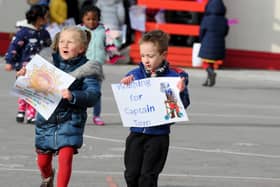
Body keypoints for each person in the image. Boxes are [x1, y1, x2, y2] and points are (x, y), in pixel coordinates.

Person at [17, 26, 102, 187]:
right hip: (46, 120)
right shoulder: (47, 63)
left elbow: (93, 95)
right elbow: (30, 84)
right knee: (43, 162)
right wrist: (22, 76)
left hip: (71, 119)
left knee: (66, 156)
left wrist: (73, 96)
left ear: (81, 48)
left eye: (70, 42)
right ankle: (47, 177)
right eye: (62, 41)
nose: (65, 45)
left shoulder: (88, 69)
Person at [120, 30, 190, 187]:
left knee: (148, 177)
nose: (146, 60)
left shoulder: (174, 77)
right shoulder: (135, 74)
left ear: (164, 54)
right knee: (131, 174)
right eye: (143, 55)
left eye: (150, 56)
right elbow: (127, 98)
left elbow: (183, 105)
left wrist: (180, 92)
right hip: (136, 132)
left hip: (158, 135)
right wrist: (125, 85)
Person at [5, 4, 52, 124]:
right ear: (39, 18)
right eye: (46, 17)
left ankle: (31, 115)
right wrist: (10, 61)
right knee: (24, 89)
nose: (48, 19)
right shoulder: (23, 32)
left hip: (38, 67)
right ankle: (21, 110)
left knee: (35, 90)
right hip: (24, 67)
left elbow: (49, 45)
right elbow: (14, 46)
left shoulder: (44, 33)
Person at [78, 4, 108, 125]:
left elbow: (113, 42)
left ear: (98, 19)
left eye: (94, 19)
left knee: (96, 92)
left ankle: (97, 116)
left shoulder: (104, 30)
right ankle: (80, 114)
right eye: (88, 19)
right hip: (82, 65)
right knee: (81, 91)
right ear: (82, 19)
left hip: (97, 66)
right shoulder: (78, 30)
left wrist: (116, 38)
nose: (91, 21)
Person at [198, 0, 229, 87]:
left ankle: (211, 73)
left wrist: (201, 40)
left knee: (204, 63)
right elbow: (225, 32)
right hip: (219, 44)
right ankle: (208, 80)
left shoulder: (207, 18)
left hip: (207, 42)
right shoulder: (224, 20)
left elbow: (201, 31)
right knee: (210, 62)